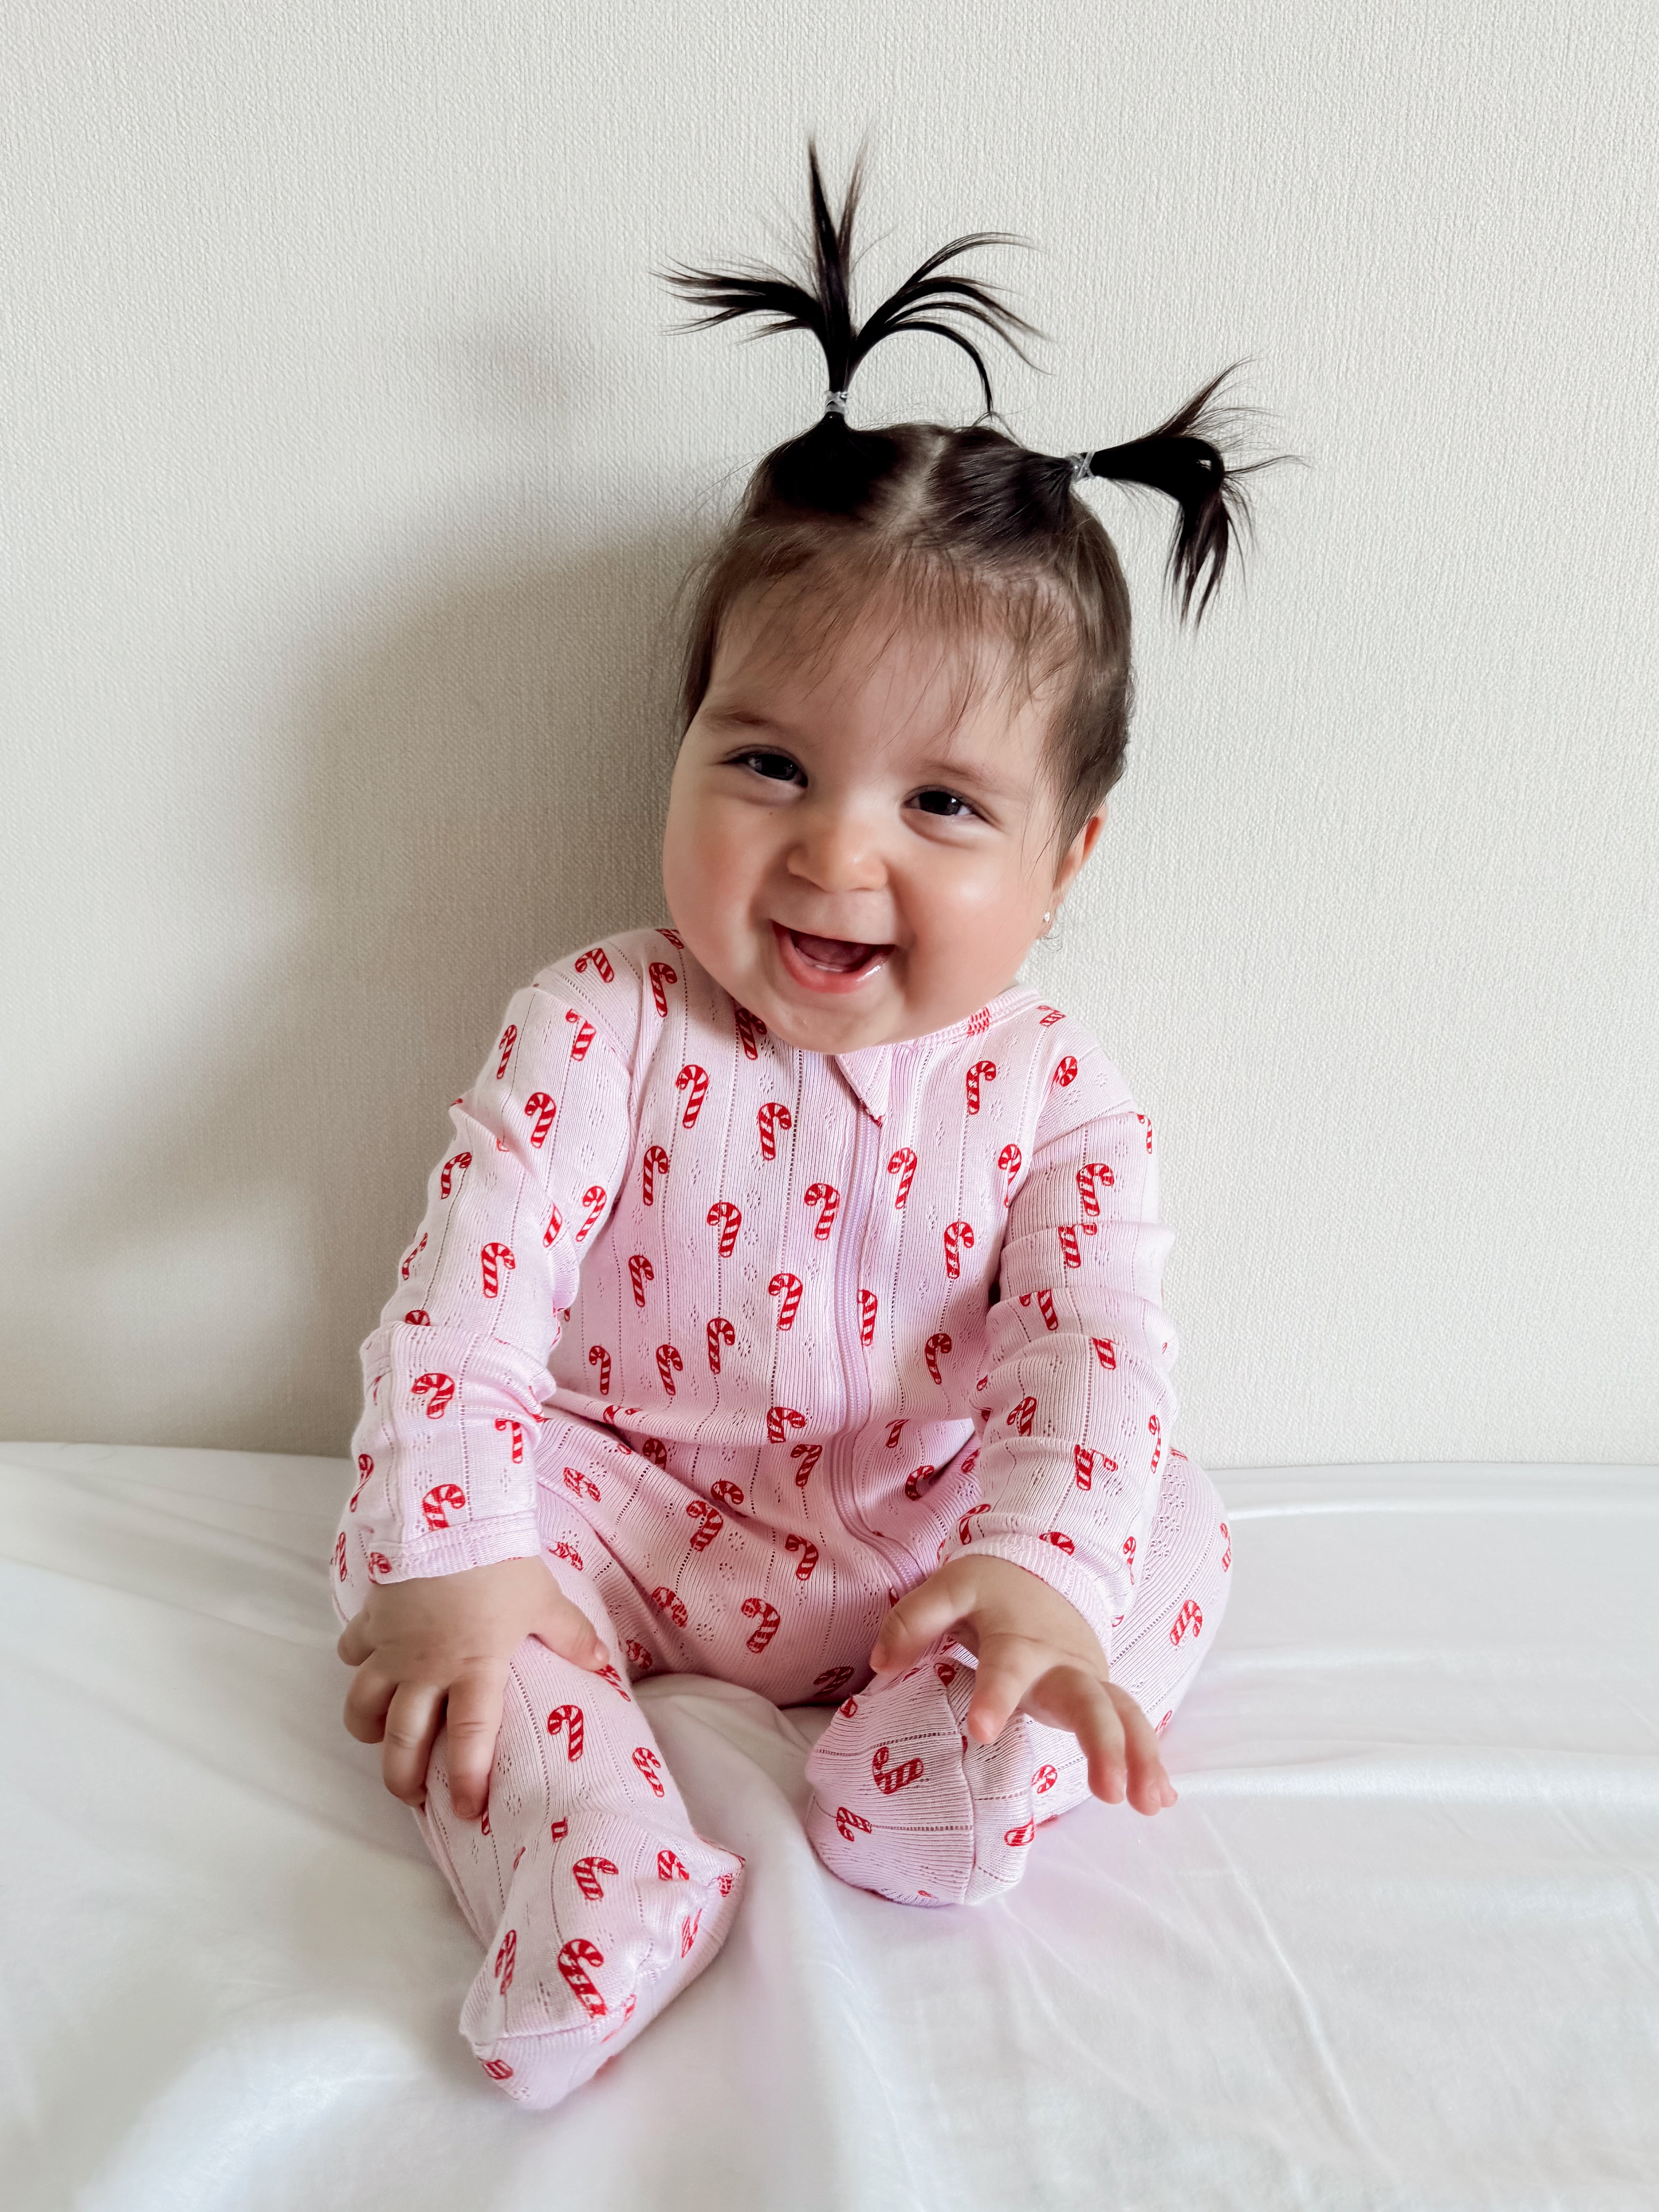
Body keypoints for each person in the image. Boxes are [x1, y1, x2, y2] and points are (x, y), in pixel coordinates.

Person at [331, 142, 1282, 2111]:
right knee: (420, 1540)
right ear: (679, 751)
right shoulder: (597, 1019)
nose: (833, 847)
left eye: (943, 803)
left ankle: (945, 1765)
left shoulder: (1059, 1098)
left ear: (1063, 855)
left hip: (911, 1546)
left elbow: (1093, 1353)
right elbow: (463, 1317)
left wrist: (1033, 1571)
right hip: (629, 1517)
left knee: (1164, 1522)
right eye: (767, 759)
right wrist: (449, 1553)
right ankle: (592, 1853)